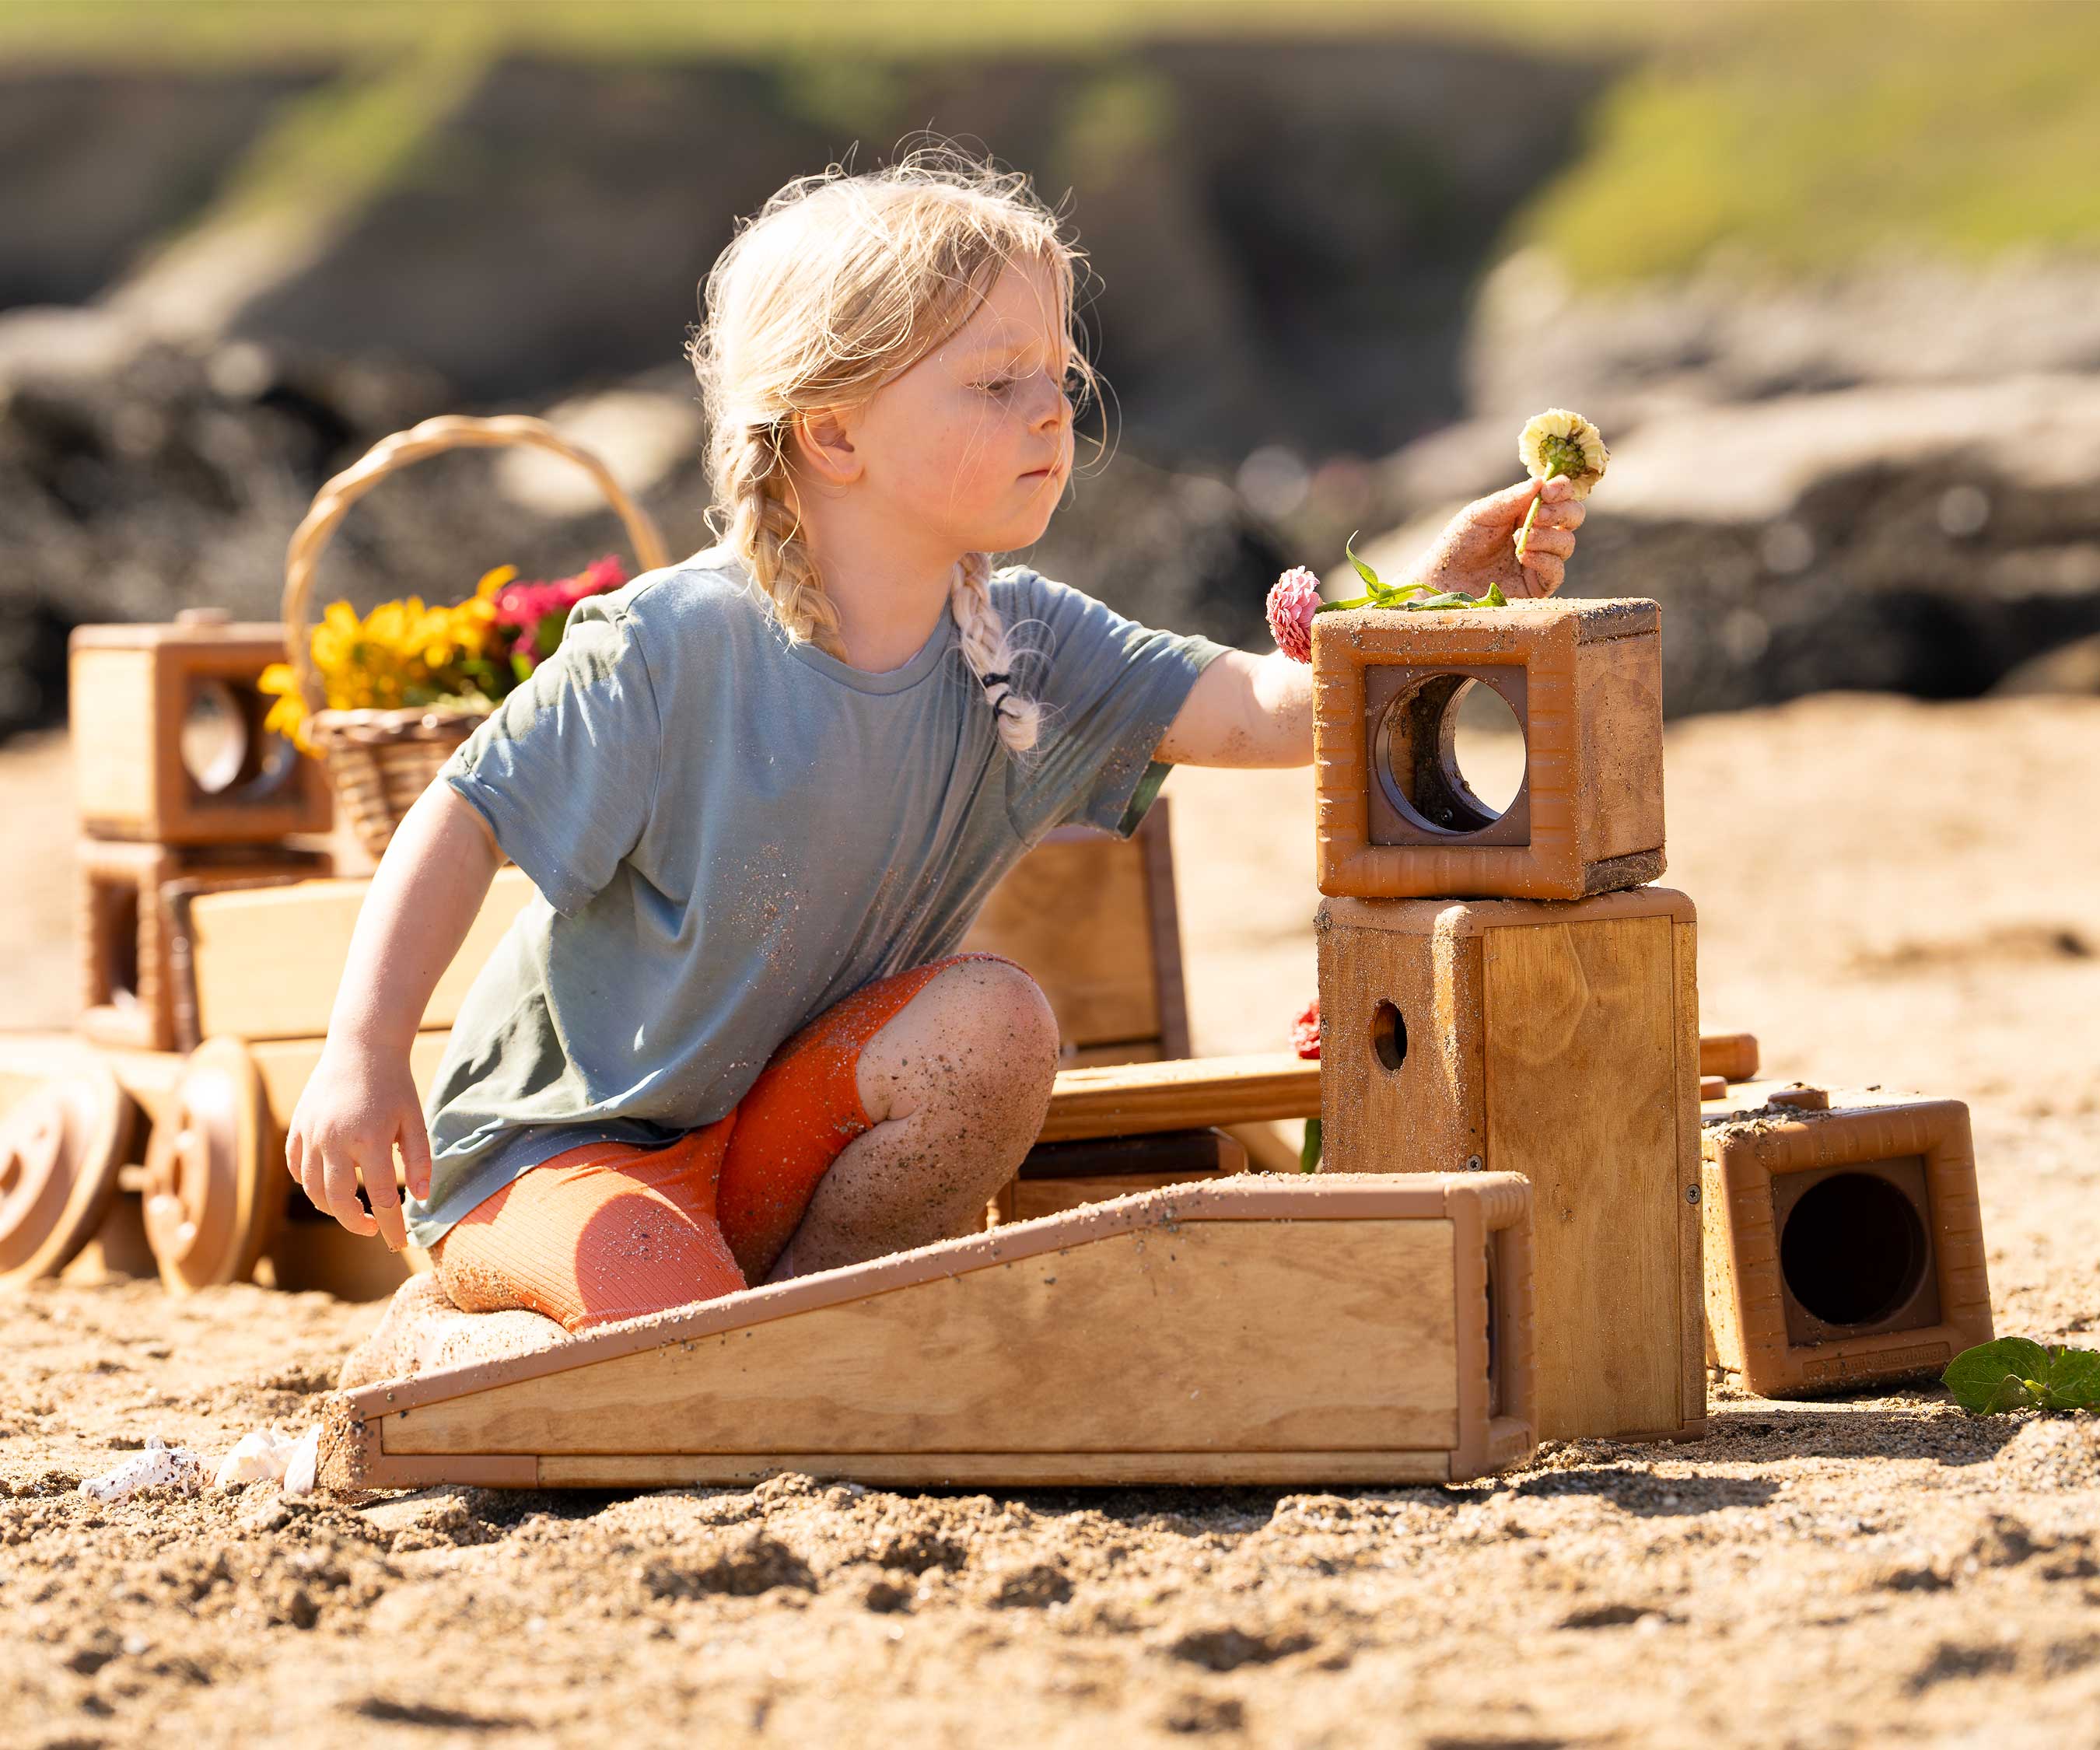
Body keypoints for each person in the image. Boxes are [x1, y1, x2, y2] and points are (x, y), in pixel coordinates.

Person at [289, 145, 1586, 1368]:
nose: (1050, 417)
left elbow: (1260, 708)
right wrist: (362, 1046)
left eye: (1057, 379)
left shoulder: (1023, 643)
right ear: (833, 435)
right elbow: (462, 814)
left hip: (771, 1150)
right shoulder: (673, 645)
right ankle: (459, 1324)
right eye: (993, 382)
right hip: (556, 1155)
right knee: (651, 1282)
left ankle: (810, 1329)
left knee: (997, 1023)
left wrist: (1429, 605)